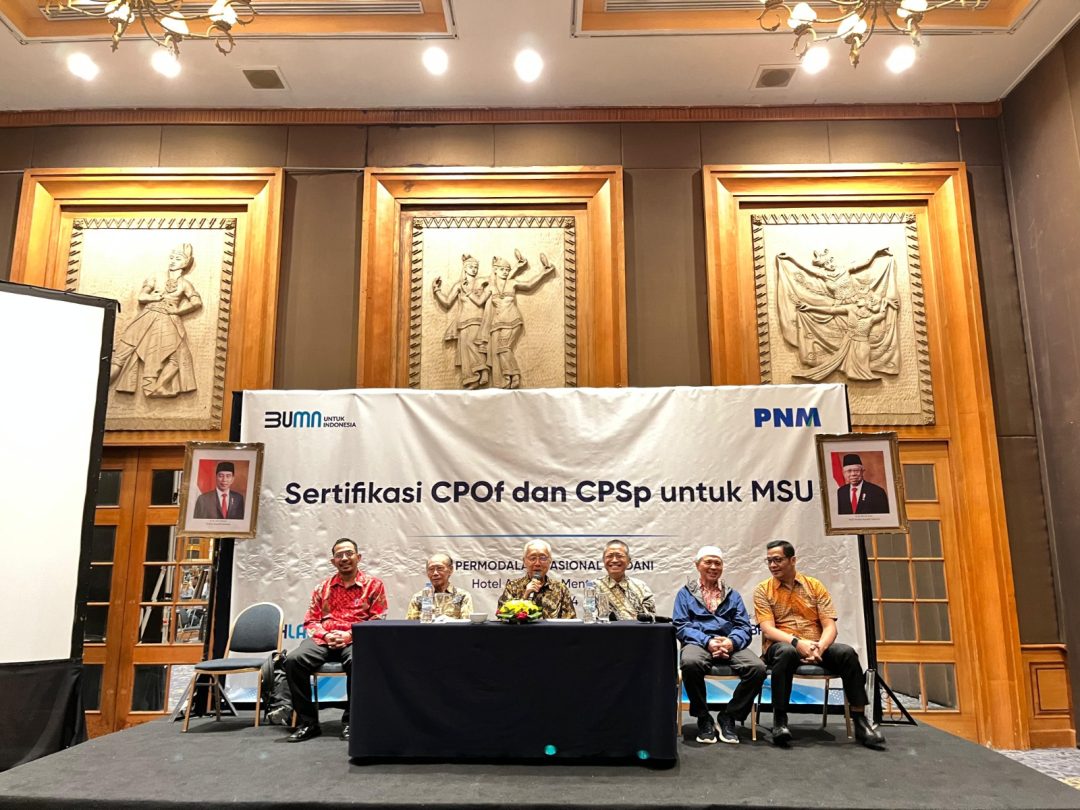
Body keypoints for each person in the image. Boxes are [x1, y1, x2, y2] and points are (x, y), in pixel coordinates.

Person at [753, 539, 885, 749]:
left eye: (777, 560)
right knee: (786, 652)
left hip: (816, 645)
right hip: (781, 644)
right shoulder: (763, 590)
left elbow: (830, 626)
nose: (772, 565)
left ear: (792, 560)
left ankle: (860, 721)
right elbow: (768, 629)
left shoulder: (814, 586)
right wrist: (798, 643)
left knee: (846, 653)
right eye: (769, 561)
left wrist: (819, 648)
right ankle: (780, 721)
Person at [284, 537, 388, 743]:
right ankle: (308, 723)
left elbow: (377, 619)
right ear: (333, 561)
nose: (344, 558)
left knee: (359, 662)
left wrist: (350, 634)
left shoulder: (374, 585)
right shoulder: (322, 587)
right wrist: (326, 635)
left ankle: (352, 722)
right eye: (339, 555)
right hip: (325, 638)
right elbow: (311, 621)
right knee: (293, 661)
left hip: (356, 638)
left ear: (358, 557)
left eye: (349, 553)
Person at [673, 546, 766, 745]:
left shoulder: (733, 595)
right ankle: (703, 717)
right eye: (708, 562)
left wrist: (731, 642)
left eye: (718, 563)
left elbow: (743, 627)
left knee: (758, 668)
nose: (713, 567)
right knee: (690, 663)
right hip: (698, 643)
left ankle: (729, 716)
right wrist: (707, 641)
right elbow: (681, 626)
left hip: (729, 643)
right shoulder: (685, 594)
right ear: (697, 565)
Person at [110, 242, 202, 398]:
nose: (173, 261)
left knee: (178, 357)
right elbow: (141, 296)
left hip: (167, 321)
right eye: (172, 257)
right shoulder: (156, 276)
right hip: (147, 317)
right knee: (121, 356)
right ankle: (98, 387)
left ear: (186, 262)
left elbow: (196, 302)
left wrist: (178, 311)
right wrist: (154, 297)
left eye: (178, 258)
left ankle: (157, 386)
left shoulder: (185, 284)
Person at [476, 250, 557, 389]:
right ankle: (506, 377)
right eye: (502, 269)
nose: (505, 272)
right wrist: (468, 292)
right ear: (495, 270)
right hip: (497, 323)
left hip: (513, 320)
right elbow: (479, 301)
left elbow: (529, 284)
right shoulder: (490, 287)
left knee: (503, 348)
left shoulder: (512, 283)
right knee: (498, 350)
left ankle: (514, 375)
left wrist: (544, 273)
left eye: (507, 270)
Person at [432, 254, 491, 389]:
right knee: (465, 351)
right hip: (463, 321)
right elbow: (447, 302)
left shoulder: (482, 282)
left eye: (476, 267)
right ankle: (472, 379)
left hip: (477, 318)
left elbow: (496, 277)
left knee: (474, 344)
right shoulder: (459, 285)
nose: (474, 269)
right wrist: (436, 290)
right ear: (465, 268)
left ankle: (483, 370)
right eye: (471, 267)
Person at [498, 540, 576, 619]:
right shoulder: (512, 587)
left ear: (550, 561)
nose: (537, 563)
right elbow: (502, 618)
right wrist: (525, 596)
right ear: (524, 561)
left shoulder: (560, 589)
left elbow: (570, 621)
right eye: (532, 558)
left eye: (543, 558)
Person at [595, 539, 655, 620]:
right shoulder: (593, 587)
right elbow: (590, 619)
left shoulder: (641, 587)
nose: (614, 560)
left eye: (619, 556)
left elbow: (651, 619)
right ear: (603, 560)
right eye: (609, 556)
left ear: (628, 561)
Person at [405, 552, 474, 620]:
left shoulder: (462, 596)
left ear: (450, 570)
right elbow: (409, 624)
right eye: (431, 569)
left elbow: (467, 623)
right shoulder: (419, 597)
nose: (435, 573)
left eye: (440, 568)